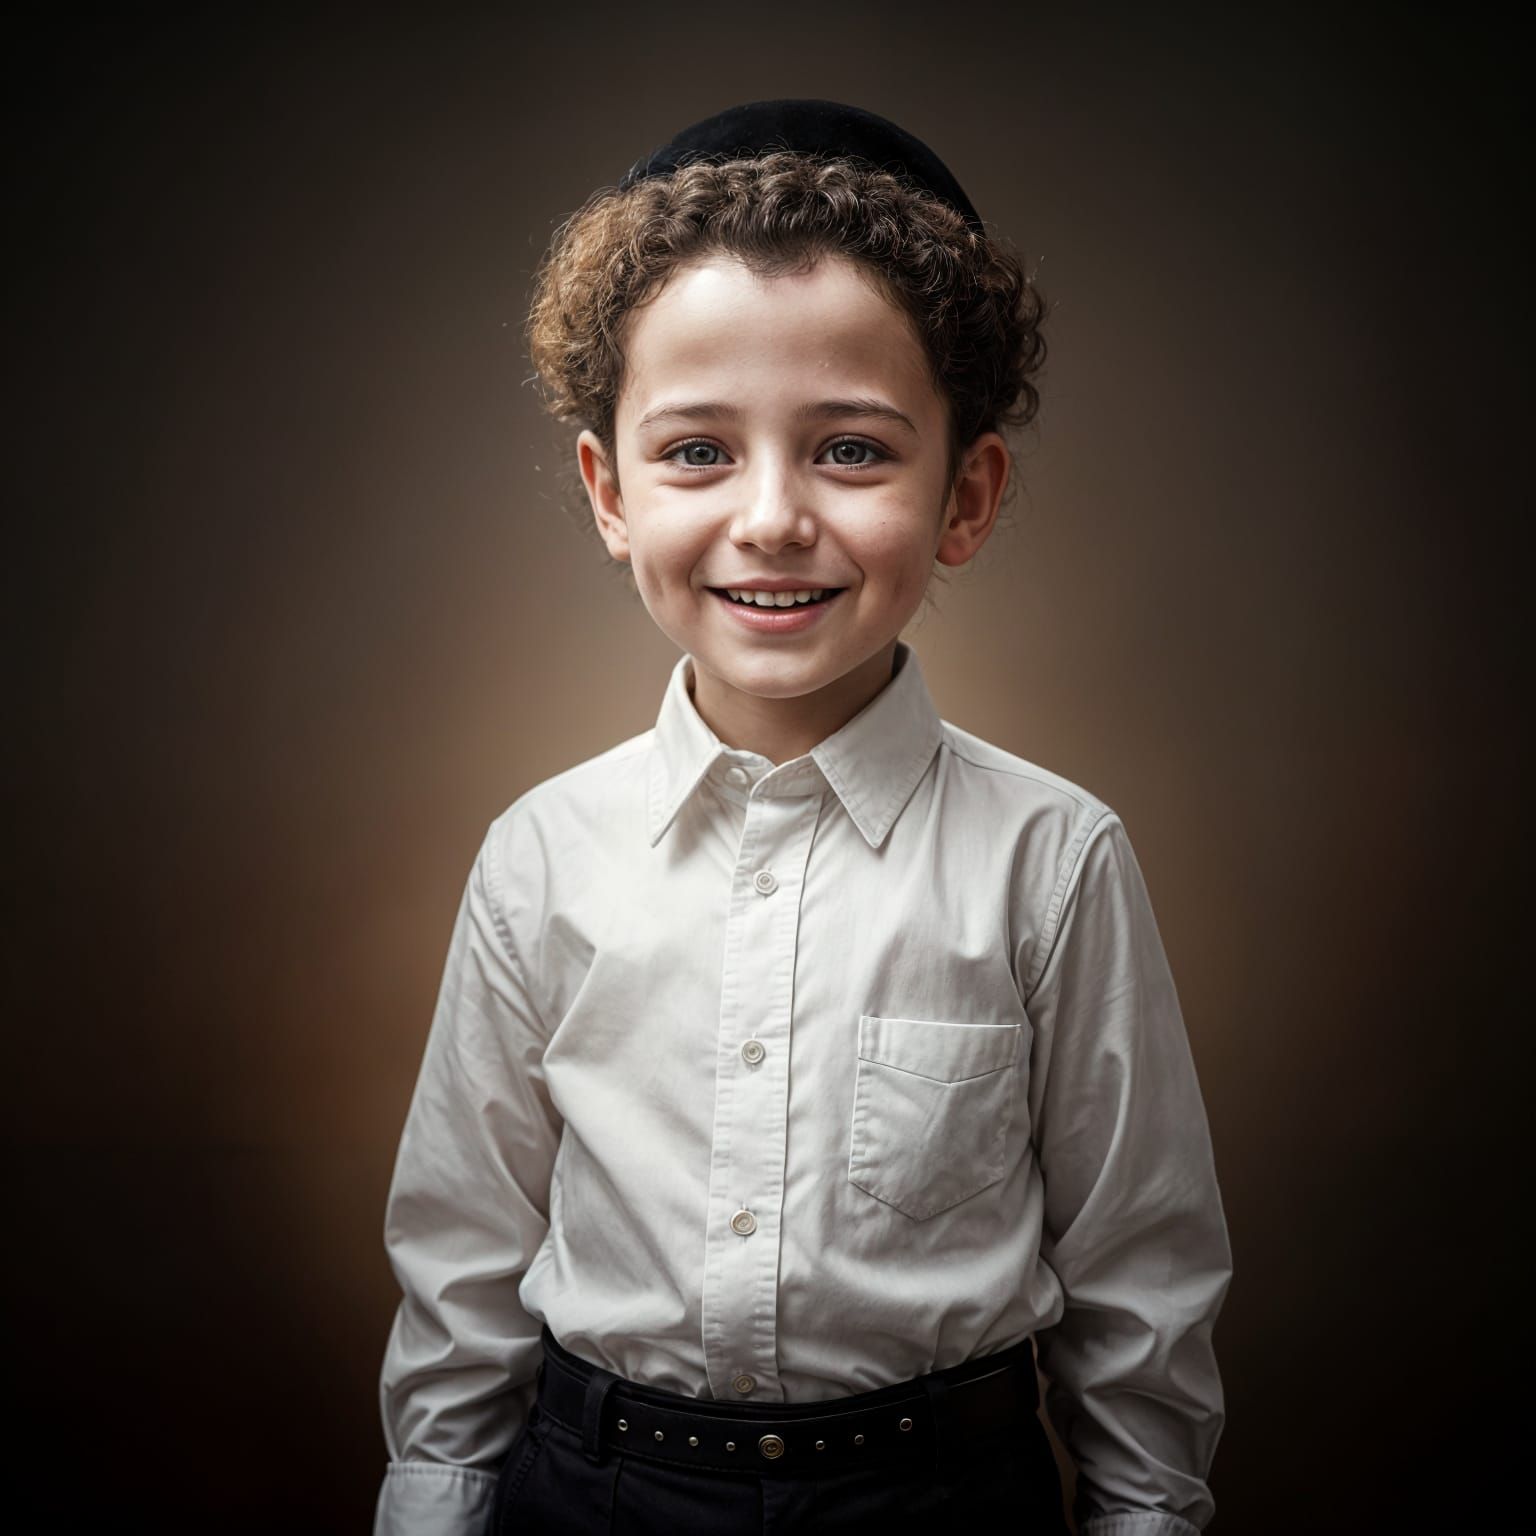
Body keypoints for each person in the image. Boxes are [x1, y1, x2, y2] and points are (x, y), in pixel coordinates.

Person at [372, 99, 1233, 1536]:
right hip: (596, 1496)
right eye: (697, 452)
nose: (771, 517)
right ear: (610, 493)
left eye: (850, 451)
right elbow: (460, 1272)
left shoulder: (1053, 861)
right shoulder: (542, 857)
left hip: (942, 1497)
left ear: (966, 495)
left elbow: (1141, 1285)